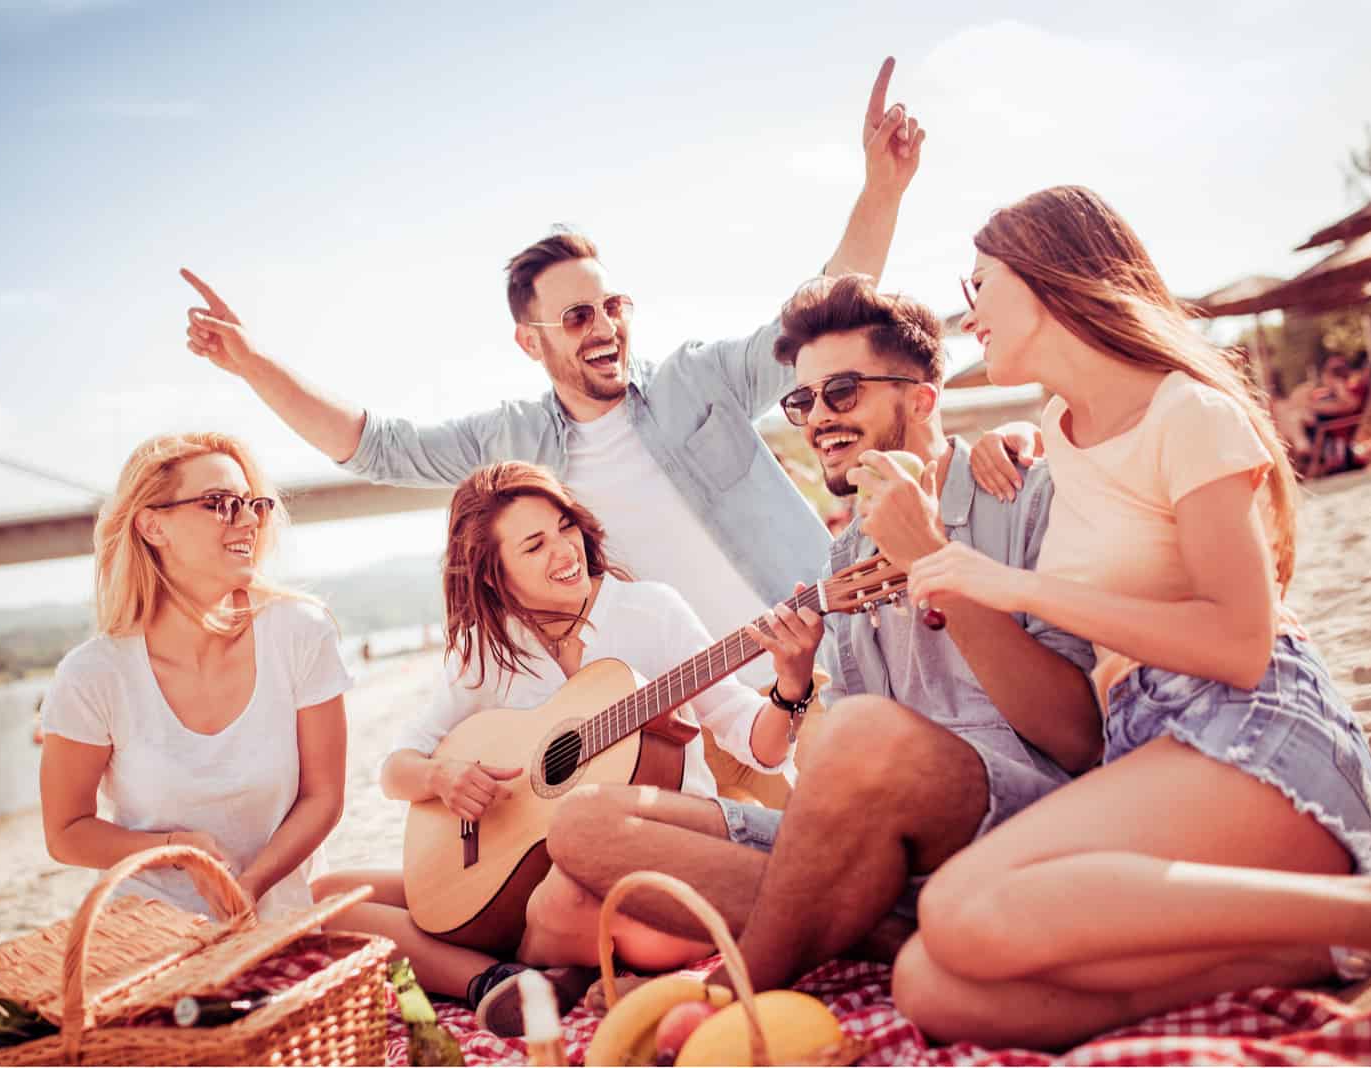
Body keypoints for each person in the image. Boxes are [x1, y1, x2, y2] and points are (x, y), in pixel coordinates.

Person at [177, 58, 924, 699]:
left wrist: (882, 191)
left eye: (611, 306)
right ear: (528, 342)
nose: (602, 327)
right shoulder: (514, 444)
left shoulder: (698, 380)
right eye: (575, 318)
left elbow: (818, 319)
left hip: (832, 654)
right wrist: (250, 364)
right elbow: (377, 447)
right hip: (699, 717)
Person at [889, 185, 1371, 1050]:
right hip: (1147, 742)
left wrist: (1018, 589)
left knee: (958, 908)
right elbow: (1091, 474)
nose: (966, 314)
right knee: (930, 984)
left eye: (980, 286)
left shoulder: (1190, 414)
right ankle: (1314, 948)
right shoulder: (1053, 425)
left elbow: (1242, 643)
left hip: (1252, 728)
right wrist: (1001, 444)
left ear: (1050, 278)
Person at [544, 274, 1100, 993]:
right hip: (889, 849)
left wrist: (933, 560)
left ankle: (730, 999)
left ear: (921, 398)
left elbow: (1077, 739)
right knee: (584, 824)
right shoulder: (846, 553)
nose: (816, 419)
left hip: (1013, 819)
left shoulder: (1028, 497)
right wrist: (794, 688)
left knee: (858, 734)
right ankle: (883, 931)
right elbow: (841, 776)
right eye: (802, 400)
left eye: (843, 393)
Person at [309, 461, 823, 1035]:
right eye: (534, 545)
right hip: (519, 873)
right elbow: (394, 770)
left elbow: (757, 743)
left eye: (564, 526)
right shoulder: (486, 650)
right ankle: (499, 976)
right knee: (329, 897)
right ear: (492, 574)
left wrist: (791, 685)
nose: (564, 550)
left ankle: (516, 972)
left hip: (646, 869)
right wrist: (443, 778)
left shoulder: (649, 610)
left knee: (558, 899)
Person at [39, 432, 349, 921]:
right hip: (149, 931)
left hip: (283, 918)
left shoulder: (299, 633)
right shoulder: (93, 675)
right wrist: (175, 849)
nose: (248, 521)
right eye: (220, 503)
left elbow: (324, 795)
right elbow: (66, 831)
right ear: (152, 526)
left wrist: (250, 886)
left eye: (253, 504)